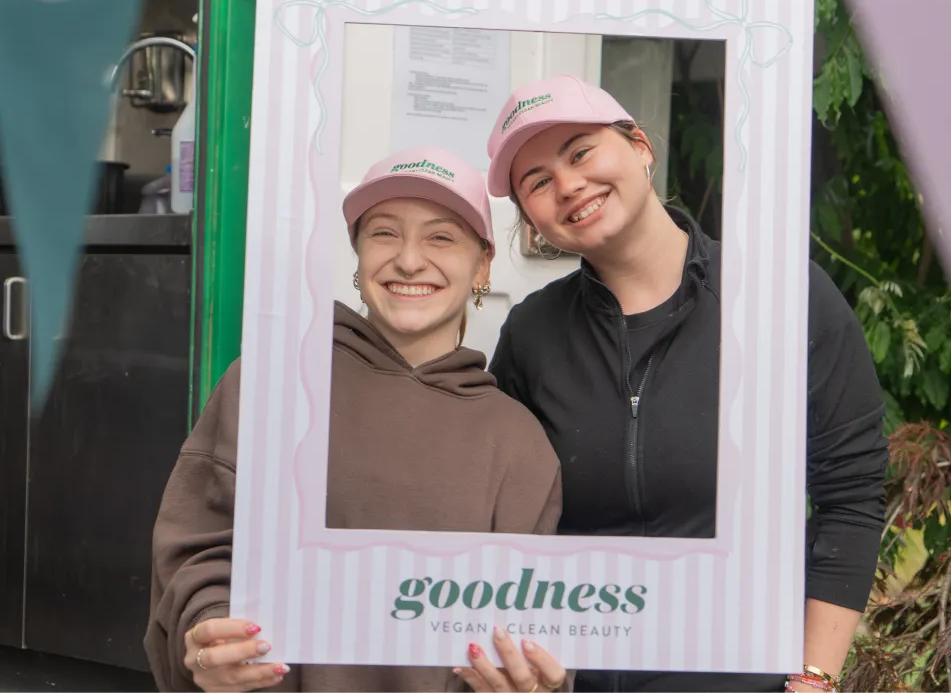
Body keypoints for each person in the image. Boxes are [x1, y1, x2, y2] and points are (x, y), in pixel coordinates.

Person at [484, 76, 889, 693]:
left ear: (641, 147)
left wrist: (813, 676)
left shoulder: (783, 297)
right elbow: (497, 517)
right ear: (531, 218)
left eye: (581, 152)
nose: (567, 185)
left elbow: (851, 496)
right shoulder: (529, 334)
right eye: (536, 181)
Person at [145, 146, 570, 693]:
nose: (410, 260)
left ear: (482, 265)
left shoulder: (519, 442)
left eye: (441, 237)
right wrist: (210, 632)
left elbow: (533, 617)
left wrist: (531, 678)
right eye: (384, 233)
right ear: (358, 254)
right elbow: (199, 551)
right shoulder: (271, 385)